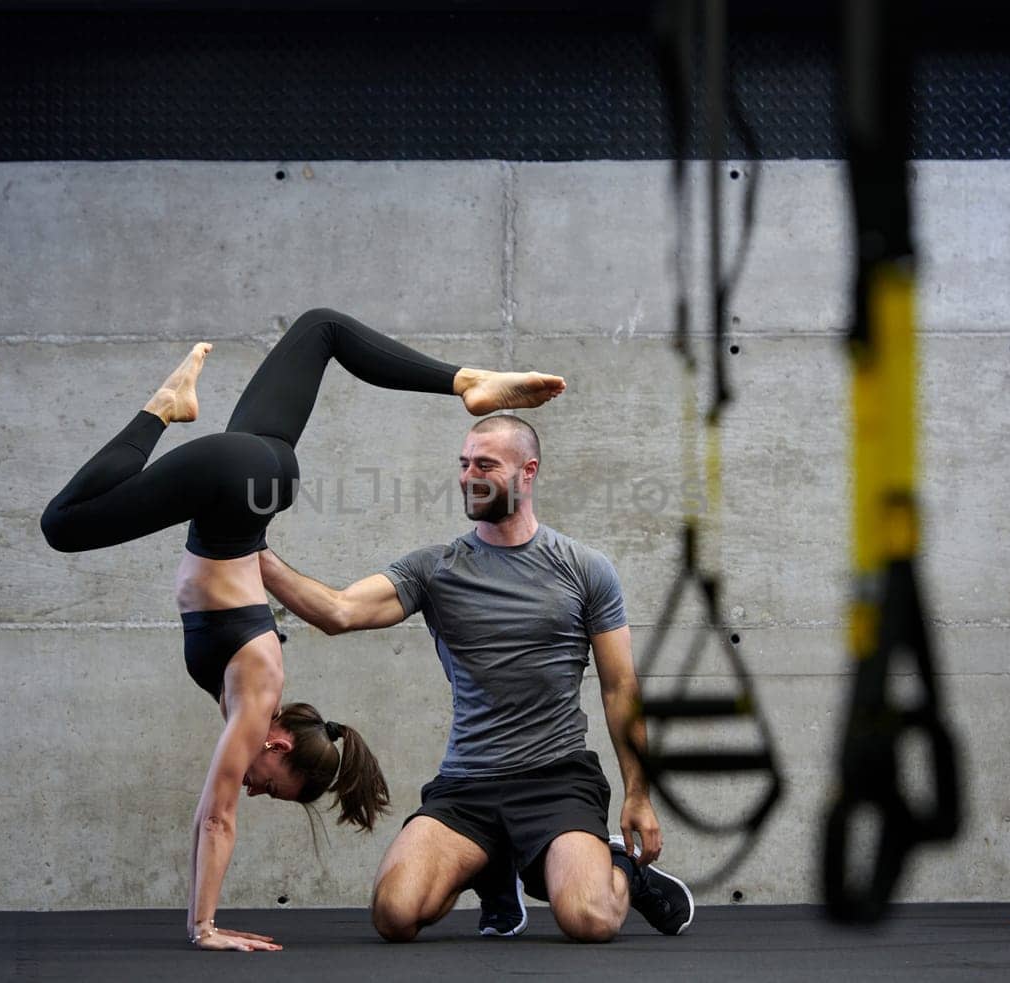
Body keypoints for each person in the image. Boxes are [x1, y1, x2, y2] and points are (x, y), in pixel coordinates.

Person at [38, 309, 567, 951]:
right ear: (281, 747)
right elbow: (216, 818)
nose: (252, 785)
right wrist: (202, 927)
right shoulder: (259, 686)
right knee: (63, 527)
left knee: (321, 330)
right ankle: (163, 407)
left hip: (261, 475)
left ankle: (468, 382)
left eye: (261, 791)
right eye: (270, 784)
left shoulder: (248, 689)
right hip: (235, 479)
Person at [258, 413, 695, 943]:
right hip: (468, 783)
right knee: (394, 915)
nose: (469, 475)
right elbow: (339, 612)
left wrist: (638, 794)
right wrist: (251, 550)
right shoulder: (435, 569)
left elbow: (620, 686)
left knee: (590, 919)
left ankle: (623, 866)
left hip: (556, 779)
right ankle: (493, 871)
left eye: (485, 464)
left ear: (527, 472)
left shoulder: (584, 568)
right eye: (464, 464)